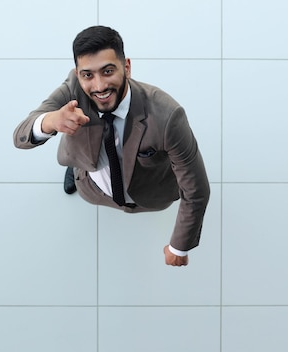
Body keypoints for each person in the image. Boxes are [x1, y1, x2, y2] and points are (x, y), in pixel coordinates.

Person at [13, 26, 210, 266]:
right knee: (81, 166)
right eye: (87, 75)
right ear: (78, 73)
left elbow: (196, 189)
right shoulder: (74, 87)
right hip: (91, 187)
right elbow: (20, 135)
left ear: (126, 66)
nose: (99, 86)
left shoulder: (168, 116)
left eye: (108, 71)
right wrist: (51, 121)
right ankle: (76, 170)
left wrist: (179, 248)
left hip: (150, 196)